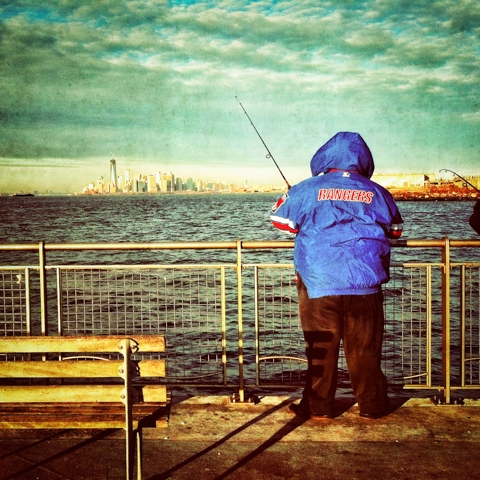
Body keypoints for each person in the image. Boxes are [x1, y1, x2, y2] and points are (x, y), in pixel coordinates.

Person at [269, 131, 403, 420]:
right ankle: (373, 406)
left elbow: (279, 220)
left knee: (320, 349)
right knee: (365, 350)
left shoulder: (306, 189)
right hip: (365, 283)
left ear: (324, 157)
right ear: (363, 160)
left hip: (319, 283)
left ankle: (318, 407)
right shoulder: (378, 192)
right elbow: (395, 230)